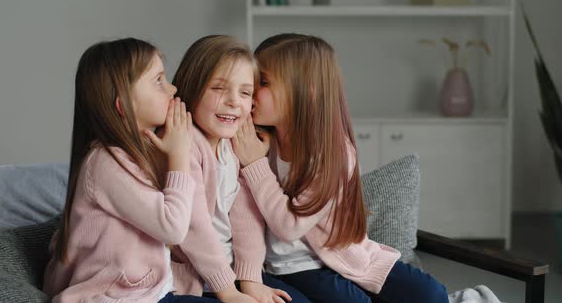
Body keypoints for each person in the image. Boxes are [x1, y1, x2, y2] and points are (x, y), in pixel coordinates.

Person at [232, 33, 449, 303]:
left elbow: (292, 222)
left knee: (432, 294)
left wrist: (255, 164)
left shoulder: (333, 152)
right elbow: (276, 227)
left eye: (262, 82)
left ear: (307, 90)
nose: (251, 92)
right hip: (291, 268)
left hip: (345, 255)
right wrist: (253, 162)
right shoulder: (250, 142)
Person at [43, 38, 217, 303]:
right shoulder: (104, 163)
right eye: (158, 81)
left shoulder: (139, 153)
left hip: (149, 293)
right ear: (123, 105)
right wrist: (179, 156)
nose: (172, 88)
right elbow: (172, 228)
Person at [170, 35, 308, 303]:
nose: (234, 101)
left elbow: (246, 217)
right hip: (190, 279)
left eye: (245, 92)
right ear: (192, 87)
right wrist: (229, 292)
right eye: (219, 88)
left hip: (229, 275)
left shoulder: (231, 145)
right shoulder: (184, 145)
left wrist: (251, 280)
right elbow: (193, 226)